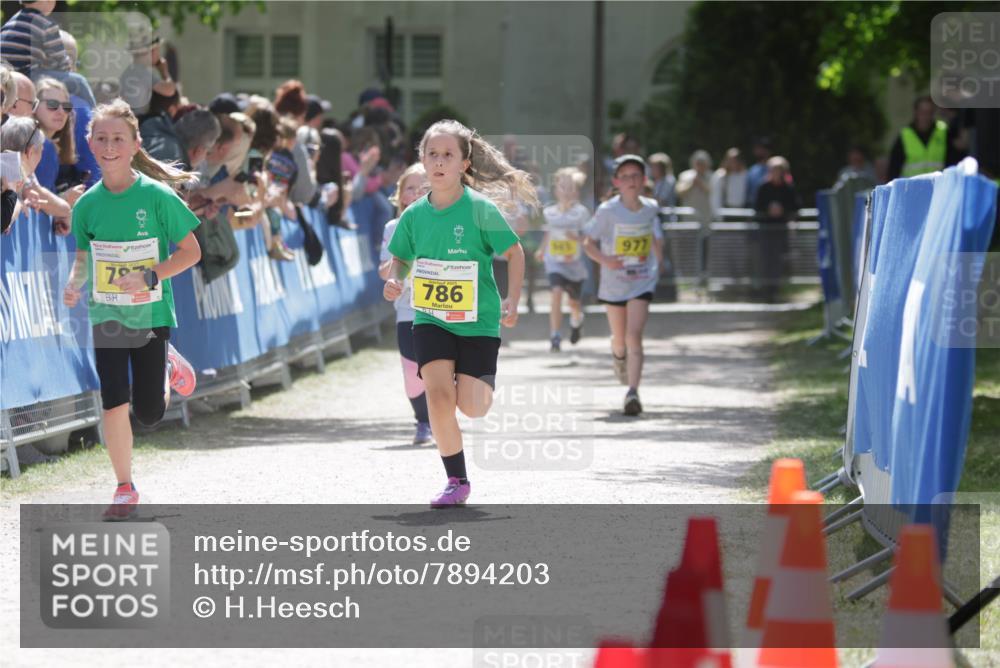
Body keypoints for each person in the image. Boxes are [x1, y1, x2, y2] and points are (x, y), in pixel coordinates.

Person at [62, 99, 201, 521]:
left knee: (149, 412)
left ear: (135, 143)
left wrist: (149, 276)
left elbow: (191, 253)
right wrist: (75, 282)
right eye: (101, 138)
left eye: (118, 139)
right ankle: (124, 487)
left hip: (151, 314)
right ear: (89, 142)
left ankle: (164, 366)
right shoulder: (86, 205)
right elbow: (86, 257)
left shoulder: (157, 197)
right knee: (112, 401)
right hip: (107, 314)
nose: (109, 146)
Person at [383, 119, 532, 508]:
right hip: (431, 317)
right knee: (437, 395)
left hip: (478, 322)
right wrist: (395, 278)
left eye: (448, 155)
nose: (439, 162)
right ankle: (456, 480)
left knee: (473, 406)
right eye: (432, 154)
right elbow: (399, 256)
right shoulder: (413, 215)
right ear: (422, 159)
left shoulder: (480, 210)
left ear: (464, 164)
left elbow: (514, 253)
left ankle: (470, 388)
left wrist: (512, 299)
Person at [583, 154, 664, 416]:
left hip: (641, 279)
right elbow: (588, 243)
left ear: (644, 180)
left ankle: (632, 392)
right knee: (620, 340)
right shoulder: (608, 211)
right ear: (617, 182)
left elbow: (655, 237)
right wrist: (608, 260)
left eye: (636, 176)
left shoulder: (651, 207)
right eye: (625, 176)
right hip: (615, 283)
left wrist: (658, 263)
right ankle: (619, 357)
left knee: (634, 335)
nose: (631, 181)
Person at [379, 163, 433, 446]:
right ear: (400, 196)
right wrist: (402, 253)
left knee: (440, 367)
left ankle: (439, 417)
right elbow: (383, 271)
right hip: (407, 308)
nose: (415, 193)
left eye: (422, 187)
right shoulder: (393, 227)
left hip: (439, 308)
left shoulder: (443, 221)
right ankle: (423, 421)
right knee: (413, 374)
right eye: (409, 188)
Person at [0, 0, 97, 107]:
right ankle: (93, 117)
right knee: (79, 81)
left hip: (5, 76)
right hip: (27, 75)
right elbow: (61, 63)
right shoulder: (46, 24)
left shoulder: (10, 22)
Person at [536, 167, 588, 352]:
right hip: (555, 262)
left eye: (570, 187)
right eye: (562, 186)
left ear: (576, 191)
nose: (565, 191)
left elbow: (589, 238)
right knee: (556, 292)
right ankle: (555, 336)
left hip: (574, 265)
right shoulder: (550, 212)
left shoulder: (581, 213)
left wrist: (577, 239)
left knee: (574, 303)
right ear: (556, 189)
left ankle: (576, 320)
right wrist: (542, 249)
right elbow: (549, 233)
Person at [0, 115, 72, 223]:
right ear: (30, 152)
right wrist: (17, 204)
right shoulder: (8, 172)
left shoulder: (18, 173)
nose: (40, 158)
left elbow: (64, 209)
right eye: (41, 151)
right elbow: (5, 218)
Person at [33, 78, 90, 209]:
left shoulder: (50, 146)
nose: (60, 112)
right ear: (34, 106)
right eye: (52, 104)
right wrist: (64, 198)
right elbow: (37, 202)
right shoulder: (43, 146)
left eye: (66, 107)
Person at [753, 156, 799, 302]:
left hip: (781, 230)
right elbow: (757, 207)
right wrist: (768, 210)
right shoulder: (763, 187)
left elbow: (796, 206)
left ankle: (777, 290)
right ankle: (765, 290)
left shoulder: (788, 188)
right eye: (773, 170)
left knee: (779, 260)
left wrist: (782, 210)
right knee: (766, 260)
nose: (775, 172)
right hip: (766, 230)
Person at [888, 96, 962, 180]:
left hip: (938, 186)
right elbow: (894, 166)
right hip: (913, 187)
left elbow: (953, 161)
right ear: (916, 112)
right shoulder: (905, 135)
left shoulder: (943, 131)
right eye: (922, 112)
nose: (925, 116)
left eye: (929, 112)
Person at [675, 149, 713, 289]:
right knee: (689, 250)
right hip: (689, 222)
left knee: (705, 249)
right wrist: (692, 183)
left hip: (705, 221)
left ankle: (704, 277)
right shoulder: (685, 176)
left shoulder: (712, 176)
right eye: (698, 163)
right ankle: (688, 278)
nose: (700, 166)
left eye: (703, 163)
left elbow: (712, 192)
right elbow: (679, 192)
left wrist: (701, 184)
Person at [119, 31, 176, 118]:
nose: (158, 55)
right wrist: (164, 71)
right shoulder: (141, 72)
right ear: (152, 51)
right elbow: (170, 91)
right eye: (157, 50)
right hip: (138, 120)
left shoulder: (130, 71)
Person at [710, 147, 749, 214]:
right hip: (725, 211)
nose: (733, 162)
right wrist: (717, 214)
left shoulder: (745, 175)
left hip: (742, 211)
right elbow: (715, 197)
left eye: (736, 159)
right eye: (731, 160)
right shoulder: (720, 175)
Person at [745, 136, 772, 207]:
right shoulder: (752, 170)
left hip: (771, 209)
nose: (756, 151)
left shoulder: (774, 168)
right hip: (754, 208)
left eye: (759, 148)